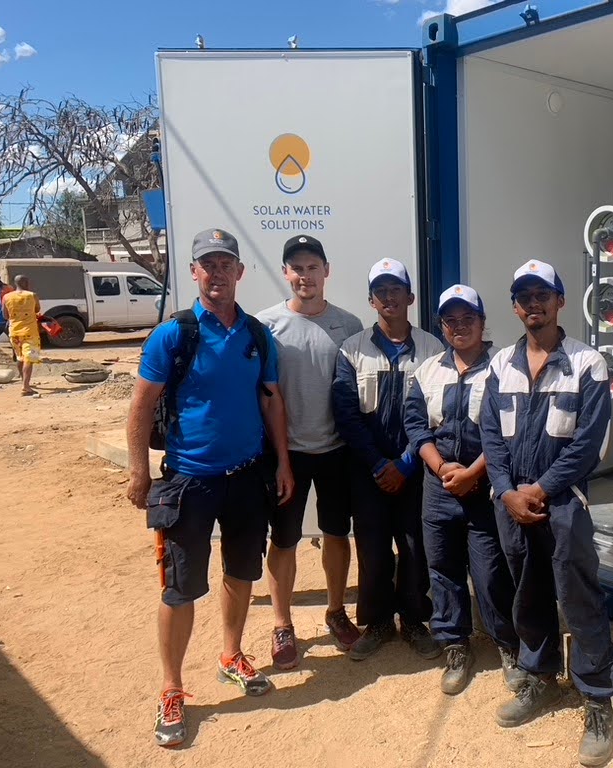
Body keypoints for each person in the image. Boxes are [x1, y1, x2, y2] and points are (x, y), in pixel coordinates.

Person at [126, 228, 294, 748]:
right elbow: (141, 405)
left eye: (226, 264)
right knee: (179, 589)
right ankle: (171, 689)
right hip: (188, 481)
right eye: (208, 264)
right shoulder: (173, 334)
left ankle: (231, 655)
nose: (218, 273)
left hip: (246, 476)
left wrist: (283, 463)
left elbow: (271, 401)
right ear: (194, 271)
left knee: (241, 572)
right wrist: (138, 471)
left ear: (240, 272)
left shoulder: (257, 335)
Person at [480, 260, 613, 767]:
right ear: (515, 307)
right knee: (527, 591)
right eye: (524, 297)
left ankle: (598, 701)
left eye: (543, 294)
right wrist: (506, 492)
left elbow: (587, 444)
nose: (533, 304)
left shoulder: (587, 363)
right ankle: (539, 677)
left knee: (578, 596)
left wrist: (539, 489)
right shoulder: (501, 364)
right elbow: (490, 436)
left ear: (560, 301)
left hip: (562, 503)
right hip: (513, 504)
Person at [404, 284, 524, 695]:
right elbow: (416, 426)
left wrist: (473, 473)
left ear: (482, 321)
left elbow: (510, 431)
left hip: (485, 487)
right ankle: (455, 645)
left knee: (490, 572)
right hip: (439, 488)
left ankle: (507, 644)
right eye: (450, 320)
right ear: (441, 326)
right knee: (443, 569)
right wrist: (441, 468)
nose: (459, 326)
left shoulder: (504, 367)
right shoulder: (428, 370)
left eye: (467, 318)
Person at [256, 235, 365, 669]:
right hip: (287, 453)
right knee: (283, 540)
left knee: (337, 534)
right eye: (297, 268)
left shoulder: (349, 324)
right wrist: (278, 457)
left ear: (326, 271)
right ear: (286, 273)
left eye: (312, 267)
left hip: (337, 450)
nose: (305, 276)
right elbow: (261, 392)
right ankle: (282, 624)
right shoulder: (266, 326)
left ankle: (336, 611)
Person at [332, 258, 443, 661]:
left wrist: (408, 463)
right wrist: (379, 465)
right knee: (372, 546)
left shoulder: (433, 349)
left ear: (410, 297)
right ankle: (378, 621)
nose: (388, 297)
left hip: (416, 468)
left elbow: (439, 414)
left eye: (396, 289)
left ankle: (414, 620)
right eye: (380, 291)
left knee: (415, 546)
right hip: (368, 470)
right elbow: (345, 414)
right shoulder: (352, 349)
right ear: (371, 300)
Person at [2, 275, 41, 397]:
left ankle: (24, 381)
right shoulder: (32, 295)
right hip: (30, 332)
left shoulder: (6, 297)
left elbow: (5, 316)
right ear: (25, 283)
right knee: (29, 358)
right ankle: (26, 387)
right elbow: (37, 309)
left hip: (14, 332)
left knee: (20, 357)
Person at [0, 270, 14, 353]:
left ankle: (17, 358)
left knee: (15, 343)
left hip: (7, 322)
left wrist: (10, 319)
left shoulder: (7, 289)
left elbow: (14, 304)